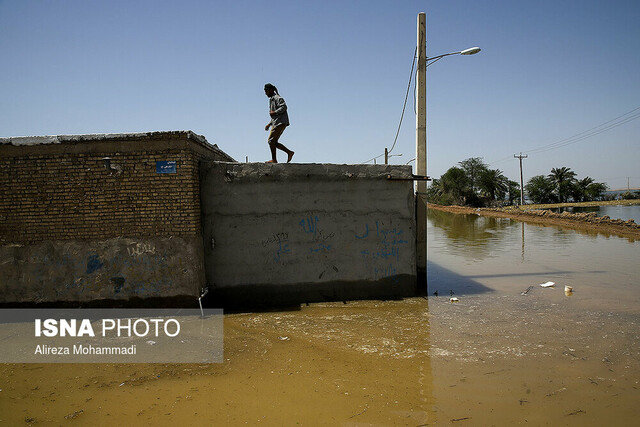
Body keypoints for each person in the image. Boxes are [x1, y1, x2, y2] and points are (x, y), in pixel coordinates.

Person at [264, 83, 294, 163]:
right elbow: (274, 116)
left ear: (270, 90)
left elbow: (284, 107)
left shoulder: (277, 98)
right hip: (277, 122)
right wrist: (269, 124)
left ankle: (274, 159)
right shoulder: (271, 100)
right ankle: (289, 152)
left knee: (271, 141)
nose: (265, 93)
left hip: (280, 122)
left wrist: (275, 112)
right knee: (273, 142)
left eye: (266, 91)